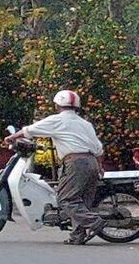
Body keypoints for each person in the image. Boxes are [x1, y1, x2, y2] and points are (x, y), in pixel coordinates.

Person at [17, 89, 105, 244]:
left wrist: (11, 137)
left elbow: (30, 130)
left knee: (65, 199)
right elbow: (99, 149)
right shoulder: (86, 124)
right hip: (91, 161)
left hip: (75, 163)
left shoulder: (57, 120)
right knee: (82, 201)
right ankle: (77, 236)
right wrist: (100, 166)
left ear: (57, 105)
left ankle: (94, 222)